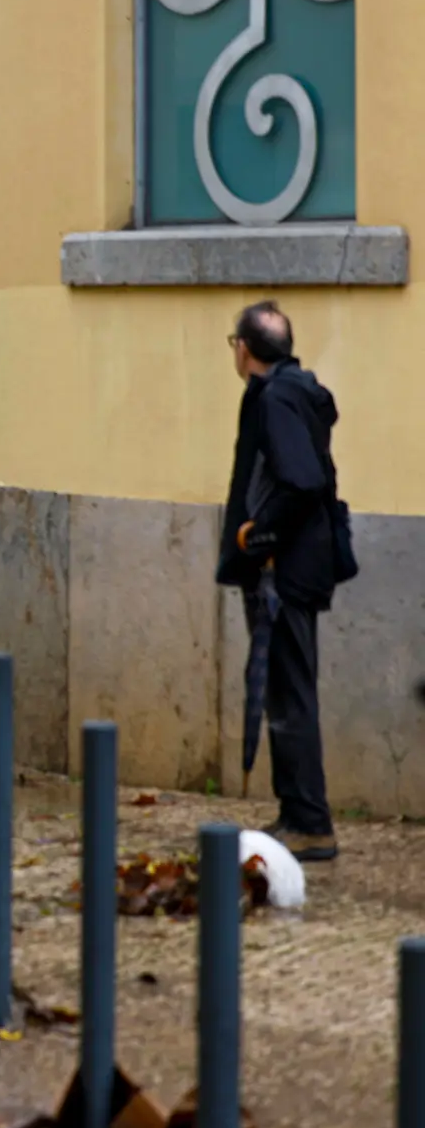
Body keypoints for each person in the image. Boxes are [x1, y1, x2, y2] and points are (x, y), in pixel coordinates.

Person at [216, 301, 341, 862]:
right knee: (287, 690)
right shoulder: (293, 391)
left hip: (283, 572)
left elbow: (301, 482)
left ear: (244, 349)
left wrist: (255, 537)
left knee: (288, 694)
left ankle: (309, 822)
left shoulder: (276, 398)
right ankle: (298, 815)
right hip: (294, 567)